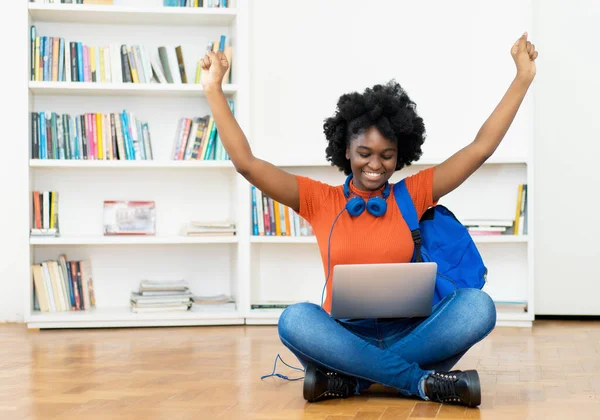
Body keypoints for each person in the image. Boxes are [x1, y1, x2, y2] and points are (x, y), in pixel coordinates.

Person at [200, 32, 538, 408]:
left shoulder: (414, 193)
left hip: (414, 333)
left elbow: (480, 148)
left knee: (478, 306)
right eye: (364, 153)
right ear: (345, 150)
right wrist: (213, 88)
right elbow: (247, 164)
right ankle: (421, 381)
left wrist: (522, 78)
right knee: (295, 319)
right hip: (344, 339)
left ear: (400, 154)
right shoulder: (318, 199)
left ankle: (353, 381)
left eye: (387, 155)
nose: (375, 165)